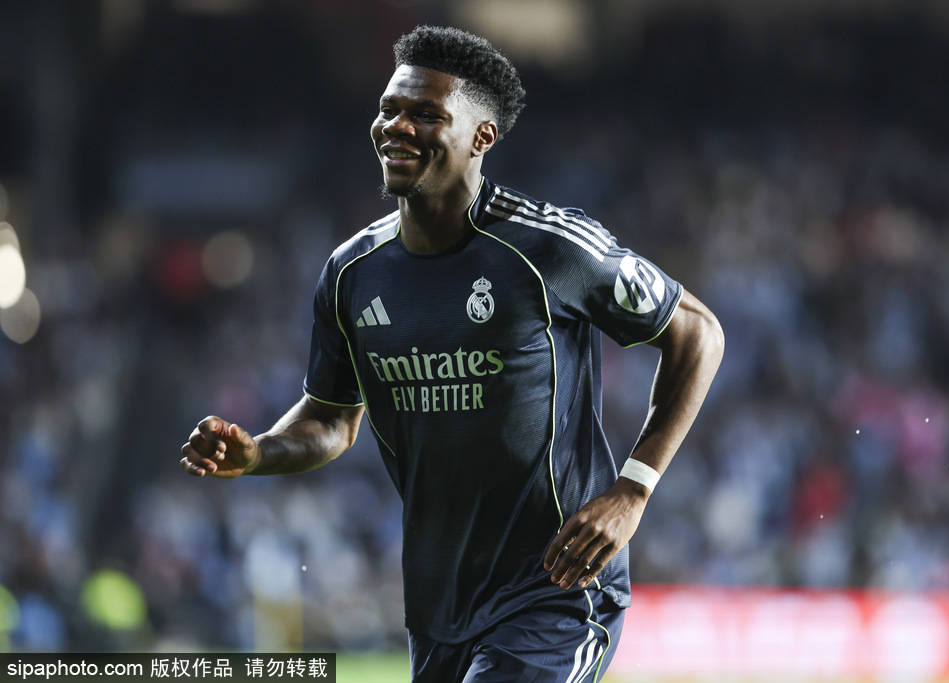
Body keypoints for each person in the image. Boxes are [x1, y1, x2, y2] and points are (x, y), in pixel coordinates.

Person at [180, 25, 724, 682]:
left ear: (481, 137)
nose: (397, 127)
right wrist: (259, 452)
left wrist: (633, 489)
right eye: (389, 109)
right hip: (440, 606)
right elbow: (330, 420)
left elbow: (698, 332)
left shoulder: (549, 247)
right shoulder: (352, 272)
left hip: (555, 590)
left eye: (426, 114)